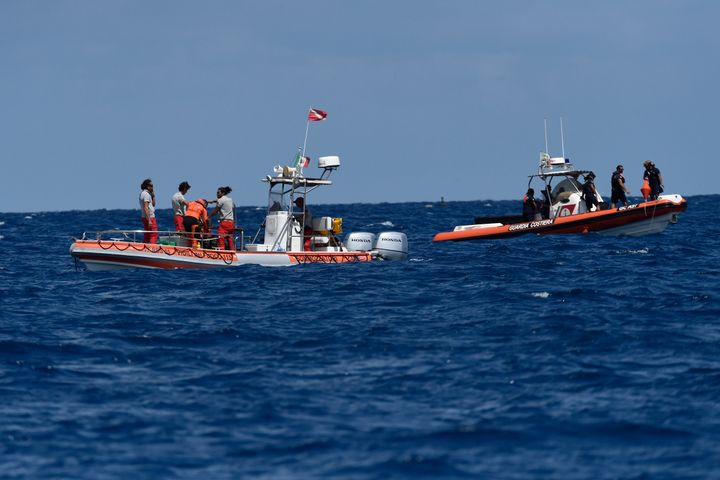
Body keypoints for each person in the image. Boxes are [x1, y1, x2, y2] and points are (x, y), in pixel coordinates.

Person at [209, 186, 236, 250]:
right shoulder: (230, 199)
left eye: (218, 193)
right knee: (230, 239)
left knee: (221, 238)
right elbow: (224, 201)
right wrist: (213, 201)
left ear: (222, 193)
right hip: (231, 223)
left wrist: (208, 217)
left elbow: (215, 211)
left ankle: (222, 252)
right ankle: (232, 251)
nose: (216, 194)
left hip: (224, 223)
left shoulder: (220, 200)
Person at [139, 178, 157, 244]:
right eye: (151, 186)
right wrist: (149, 220)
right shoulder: (146, 194)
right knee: (153, 234)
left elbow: (153, 204)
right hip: (150, 217)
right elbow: (146, 207)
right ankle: (152, 248)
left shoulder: (145, 194)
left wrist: (153, 196)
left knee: (147, 235)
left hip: (145, 217)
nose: (153, 187)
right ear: (147, 186)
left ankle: (145, 246)